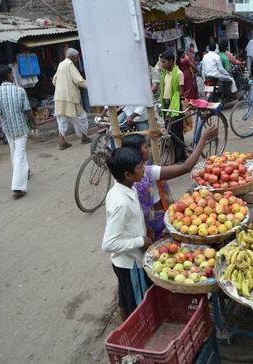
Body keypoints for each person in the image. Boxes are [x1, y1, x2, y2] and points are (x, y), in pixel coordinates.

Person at [121, 125, 217, 241]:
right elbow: (186, 167)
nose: (149, 149)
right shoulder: (148, 171)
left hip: (145, 223)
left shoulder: (128, 174)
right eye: (146, 147)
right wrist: (203, 139)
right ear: (137, 152)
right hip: (159, 221)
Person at [102, 147, 154, 320]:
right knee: (138, 304)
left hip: (125, 262)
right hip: (130, 263)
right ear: (128, 174)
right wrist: (140, 240)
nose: (144, 169)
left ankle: (124, 324)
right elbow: (108, 243)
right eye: (140, 167)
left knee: (125, 297)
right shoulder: (121, 203)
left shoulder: (124, 188)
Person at [0, 65, 35, 200]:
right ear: (10, 75)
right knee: (19, 154)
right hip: (21, 128)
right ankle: (18, 187)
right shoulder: (20, 91)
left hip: (7, 128)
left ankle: (25, 171)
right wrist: (33, 122)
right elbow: (27, 110)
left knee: (15, 151)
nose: (13, 75)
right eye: (12, 73)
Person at [53, 48, 89, 150]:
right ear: (72, 56)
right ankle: (84, 137)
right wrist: (91, 85)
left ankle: (62, 141)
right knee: (82, 116)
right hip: (70, 98)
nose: (77, 59)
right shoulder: (70, 65)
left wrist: (61, 88)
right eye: (77, 57)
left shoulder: (61, 64)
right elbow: (78, 80)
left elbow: (54, 80)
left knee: (62, 120)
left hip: (59, 97)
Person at [159, 51, 186, 163]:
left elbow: (181, 92)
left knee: (176, 131)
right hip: (166, 104)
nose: (162, 64)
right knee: (169, 131)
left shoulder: (179, 73)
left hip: (174, 105)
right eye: (161, 62)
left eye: (164, 62)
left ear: (171, 61)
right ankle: (174, 155)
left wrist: (175, 104)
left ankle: (181, 157)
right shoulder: (165, 73)